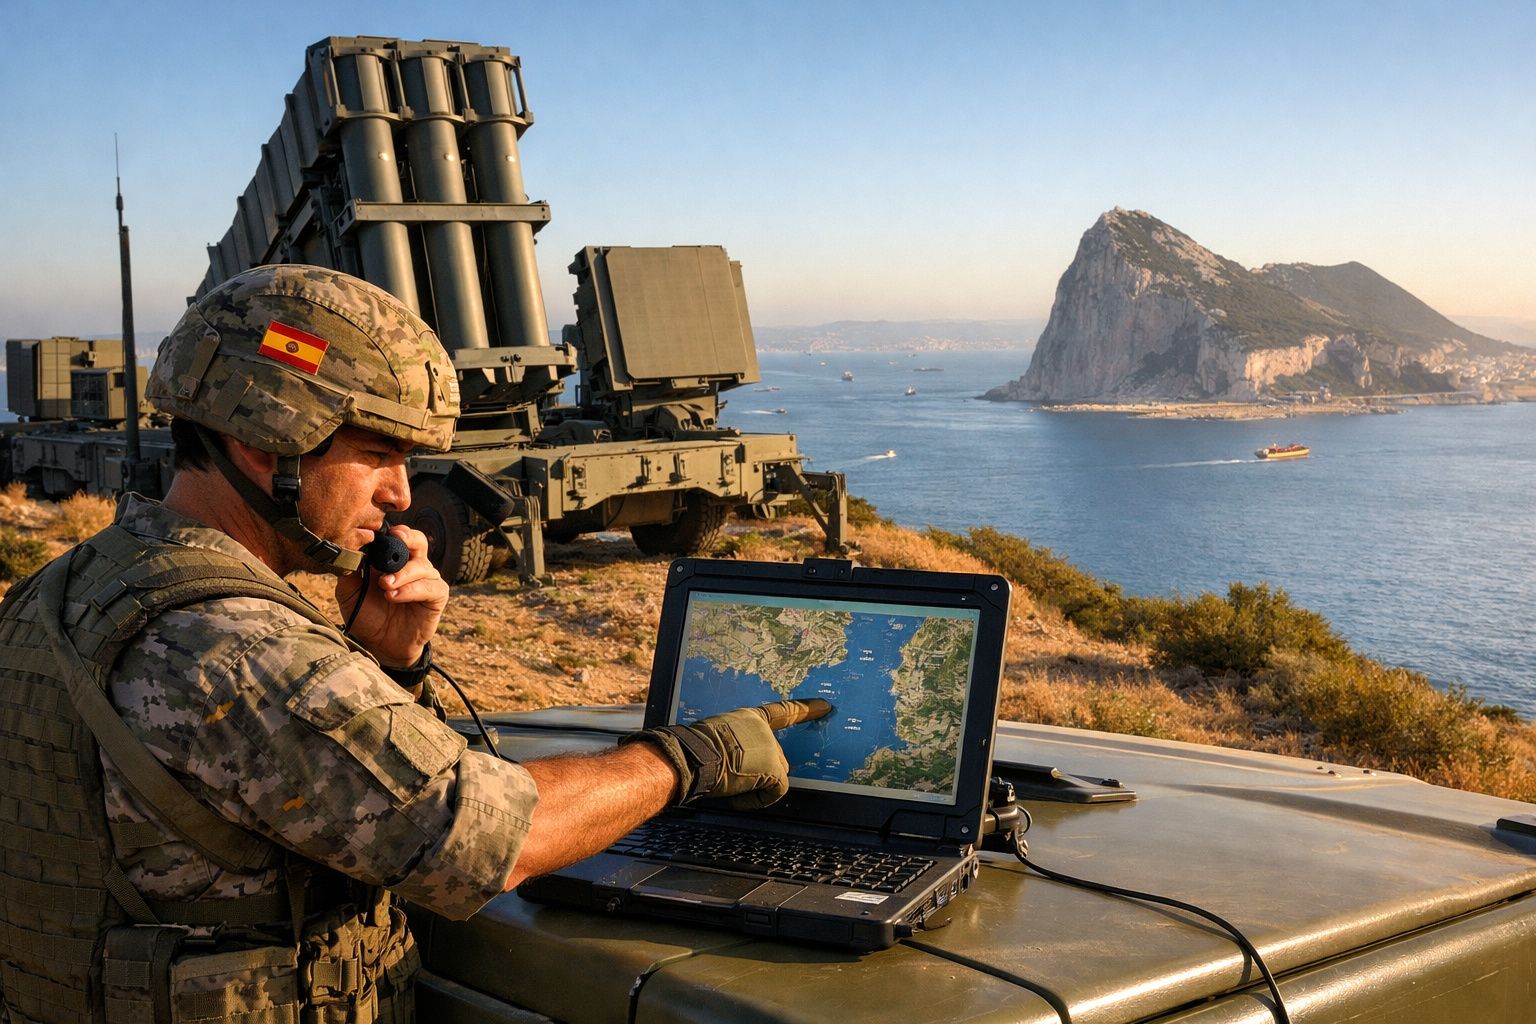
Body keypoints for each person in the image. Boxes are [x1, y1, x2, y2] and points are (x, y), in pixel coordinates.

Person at [0, 264, 827, 1024]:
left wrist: (388, 665)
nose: (401, 494)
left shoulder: (70, 584)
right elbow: (493, 842)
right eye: (379, 455)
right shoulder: (236, 645)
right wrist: (689, 760)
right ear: (266, 444)